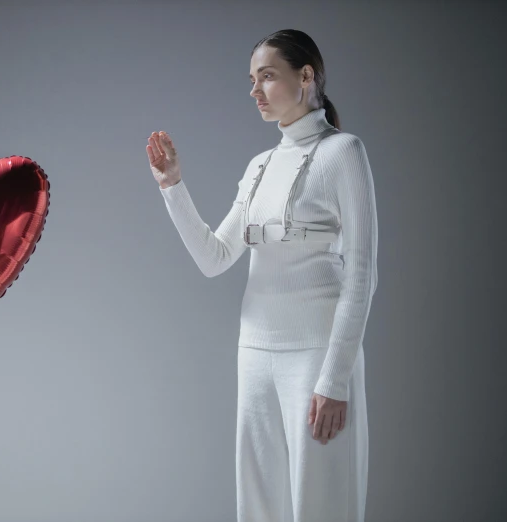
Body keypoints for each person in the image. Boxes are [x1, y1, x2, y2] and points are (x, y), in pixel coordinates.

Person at [146, 29, 378, 522]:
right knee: (259, 504)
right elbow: (215, 257)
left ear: (306, 76)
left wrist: (335, 379)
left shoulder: (345, 154)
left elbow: (361, 274)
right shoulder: (258, 167)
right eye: (252, 80)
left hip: (317, 357)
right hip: (254, 354)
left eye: (267, 77)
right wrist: (173, 187)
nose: (254, 91)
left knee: (323, 506)